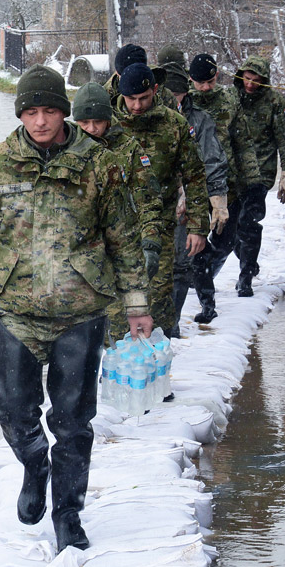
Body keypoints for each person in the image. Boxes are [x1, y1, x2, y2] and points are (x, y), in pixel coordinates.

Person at [0, 64, 153, 554]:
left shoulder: (100, 165)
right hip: (18, 311)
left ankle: (68, 516)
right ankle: (35, 462)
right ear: (21, 114)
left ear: (64, 112)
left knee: (73, 422)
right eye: (31, 112)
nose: (40, 121)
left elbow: (125, 238)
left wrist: (137, 304)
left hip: (82, 311)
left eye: (50, 111)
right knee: (12, 411)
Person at [115, 62, 209, 338]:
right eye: (131, 99)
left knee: (157, 295)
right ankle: (118, 357)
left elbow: (195, 175)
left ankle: (161, 347)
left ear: (155, 90)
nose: (137, 106)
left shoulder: (174, 125)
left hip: (162, 225)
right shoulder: (108, 125)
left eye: (143, 98)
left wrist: (197, 226)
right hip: (116, 227)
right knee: (117, 302)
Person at [73, 82, 163, 345]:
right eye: (84, 123)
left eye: (98, 122)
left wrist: (150, 242)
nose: (91, 129)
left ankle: (117, 361)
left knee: (118, 325)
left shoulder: (128, 150)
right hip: (76, 253)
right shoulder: (64, 149)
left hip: (117, 248)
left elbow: (148, 201)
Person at [158, 48, 229, 332]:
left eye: (177, 95)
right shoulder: (144, 116)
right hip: (150, 202)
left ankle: (172, 325)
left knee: (184, 262)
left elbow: (213, 161)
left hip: (186, 203)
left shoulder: (199, 121)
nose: (173, 101)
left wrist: (217, 199)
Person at [188, 53, 260, 315]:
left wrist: (253, 180)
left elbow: (243, 143)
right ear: (191, 80)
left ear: (217, 76)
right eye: (200, 83)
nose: (205, 88)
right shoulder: (185, 104)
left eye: (210, 82)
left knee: (225, 240)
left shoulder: (229, 100)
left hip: (228, 184)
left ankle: (205, 271)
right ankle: (204, 293)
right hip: (196, 184)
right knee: (196, 241)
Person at [229, 56, 285, 296]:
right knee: (231, 228)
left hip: (260, 173)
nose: (250, 84)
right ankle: (247, 258)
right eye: (247, 79)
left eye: (256, 80)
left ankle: (245, 277)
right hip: (233, 172)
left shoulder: (275, 102)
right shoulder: (231, 98)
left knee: (249, 223)